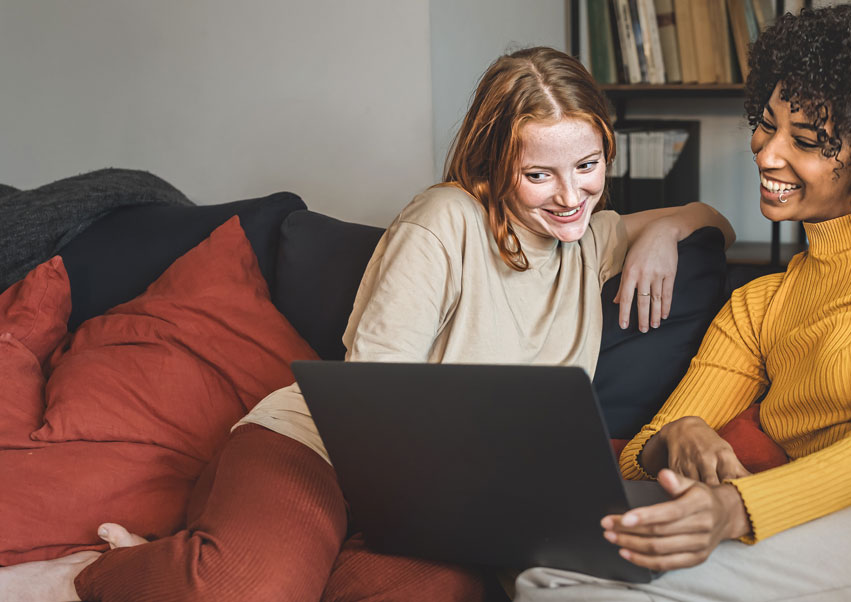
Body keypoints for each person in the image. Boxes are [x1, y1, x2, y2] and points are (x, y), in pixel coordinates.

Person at [0, 46, 734, 601]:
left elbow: (715, 224)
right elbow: (369, 413)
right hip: (317, 448)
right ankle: (99, 572)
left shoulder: (592, 239)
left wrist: (668, 229)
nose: (571, 195)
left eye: (588, 164)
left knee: (440, 594)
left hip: (441, 498)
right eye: (539, 174)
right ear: (492, 167)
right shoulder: (444, 220)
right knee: (249, 586)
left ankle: (205, 560)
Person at [515, 5, 851, 601]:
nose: (766, 153)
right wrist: (677, 434)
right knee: (550, 572)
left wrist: (734, 508)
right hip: (817, 507)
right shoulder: (760, 303)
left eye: (807, 141)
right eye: (766, 124)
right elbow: (639, 455)